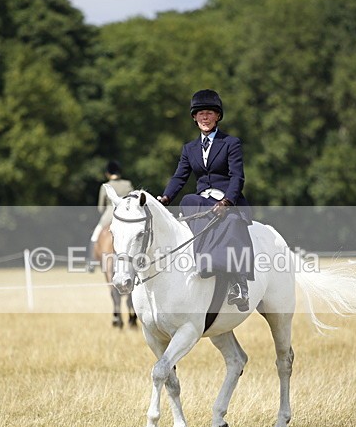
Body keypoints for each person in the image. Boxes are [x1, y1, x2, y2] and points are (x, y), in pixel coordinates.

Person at [157, 89, 253, 311]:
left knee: (231, 222)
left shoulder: (231, 143)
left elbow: (237, 177)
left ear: (217, 116)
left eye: (210, 113)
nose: (205, 118)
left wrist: (228, 201)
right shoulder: (189, 149)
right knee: (188, 200)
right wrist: (165, 197)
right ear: (194, 117)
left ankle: (240, 284)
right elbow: (179, 176)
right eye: (201, 114)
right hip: (202, 202)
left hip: (226, 201)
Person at [88, 161, 134, 269]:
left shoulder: (105, 186)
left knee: (95, 235)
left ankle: (91, 262)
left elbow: (101, 208)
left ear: (107, 173)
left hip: (110, 216)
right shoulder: (128, 184)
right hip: (126, 216)